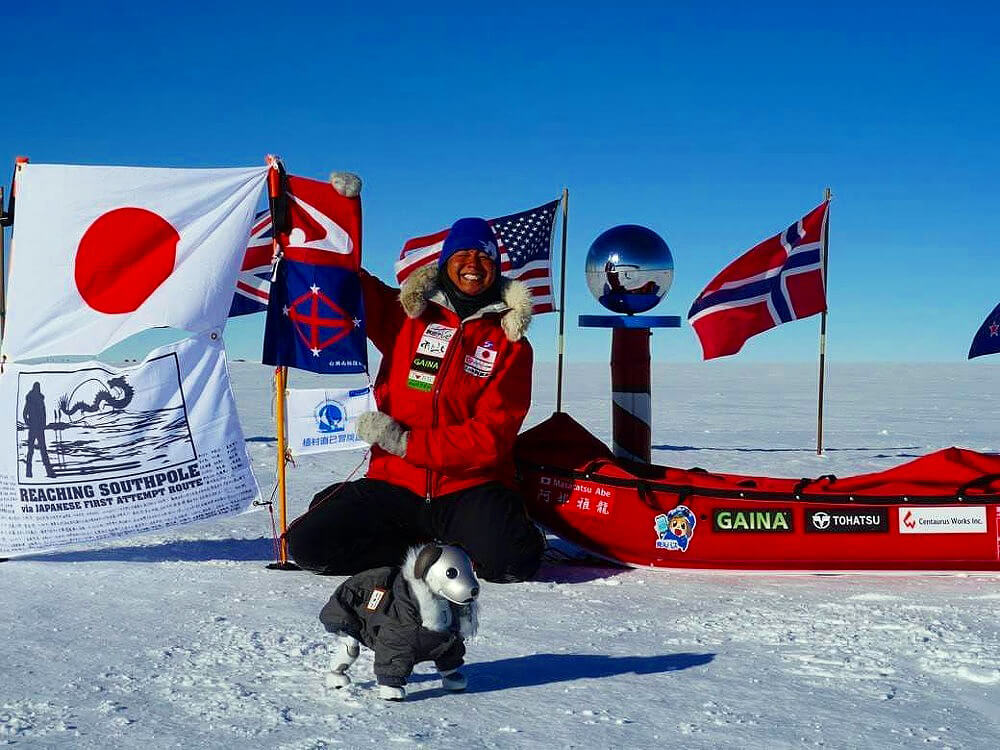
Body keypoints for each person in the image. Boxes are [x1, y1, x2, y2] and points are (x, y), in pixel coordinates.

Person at [286, 173, 544, 583]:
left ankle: (472, 532)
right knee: (306, 545)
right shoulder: (406, 317)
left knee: (513, 561)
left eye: (483, 257)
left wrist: (407, 443)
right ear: (445, 264)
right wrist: (342, 211)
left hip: (468, 486)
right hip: (395, 482)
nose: (472, 265)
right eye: (462, 255)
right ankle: (419, 549)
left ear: (495, 268)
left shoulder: (510, 344)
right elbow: (348, 281)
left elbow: (491, 435)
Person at [23, 382, 55, 479]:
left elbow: (43, 414)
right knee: (31, 450)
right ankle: (29, 472)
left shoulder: (40, 400)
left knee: (42, 450)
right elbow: (25, 414)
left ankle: (49, 472)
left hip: (39, 429)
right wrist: (29, 423)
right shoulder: (30, 400)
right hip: (34, 428)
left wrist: (43, 424)